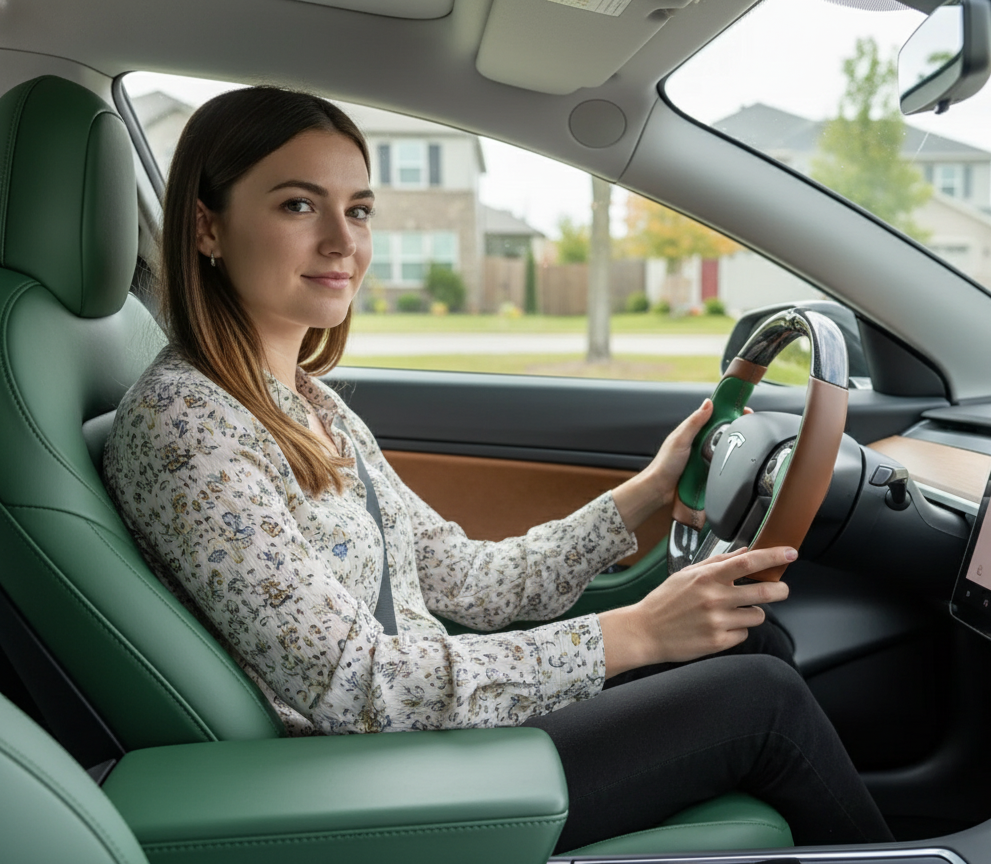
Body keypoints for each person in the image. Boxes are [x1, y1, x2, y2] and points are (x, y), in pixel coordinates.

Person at [103, 86, 891, 851]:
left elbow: (467, 581)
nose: (345, 242)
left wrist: (649, 490)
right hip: (369, 772)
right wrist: (636, 633)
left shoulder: (309, 404)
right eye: (299, 205)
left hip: (417, 727)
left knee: (747, 647)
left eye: (361, 209)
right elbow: (356, 684)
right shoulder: (187, 425)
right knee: (764, 702)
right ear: (207, 227)